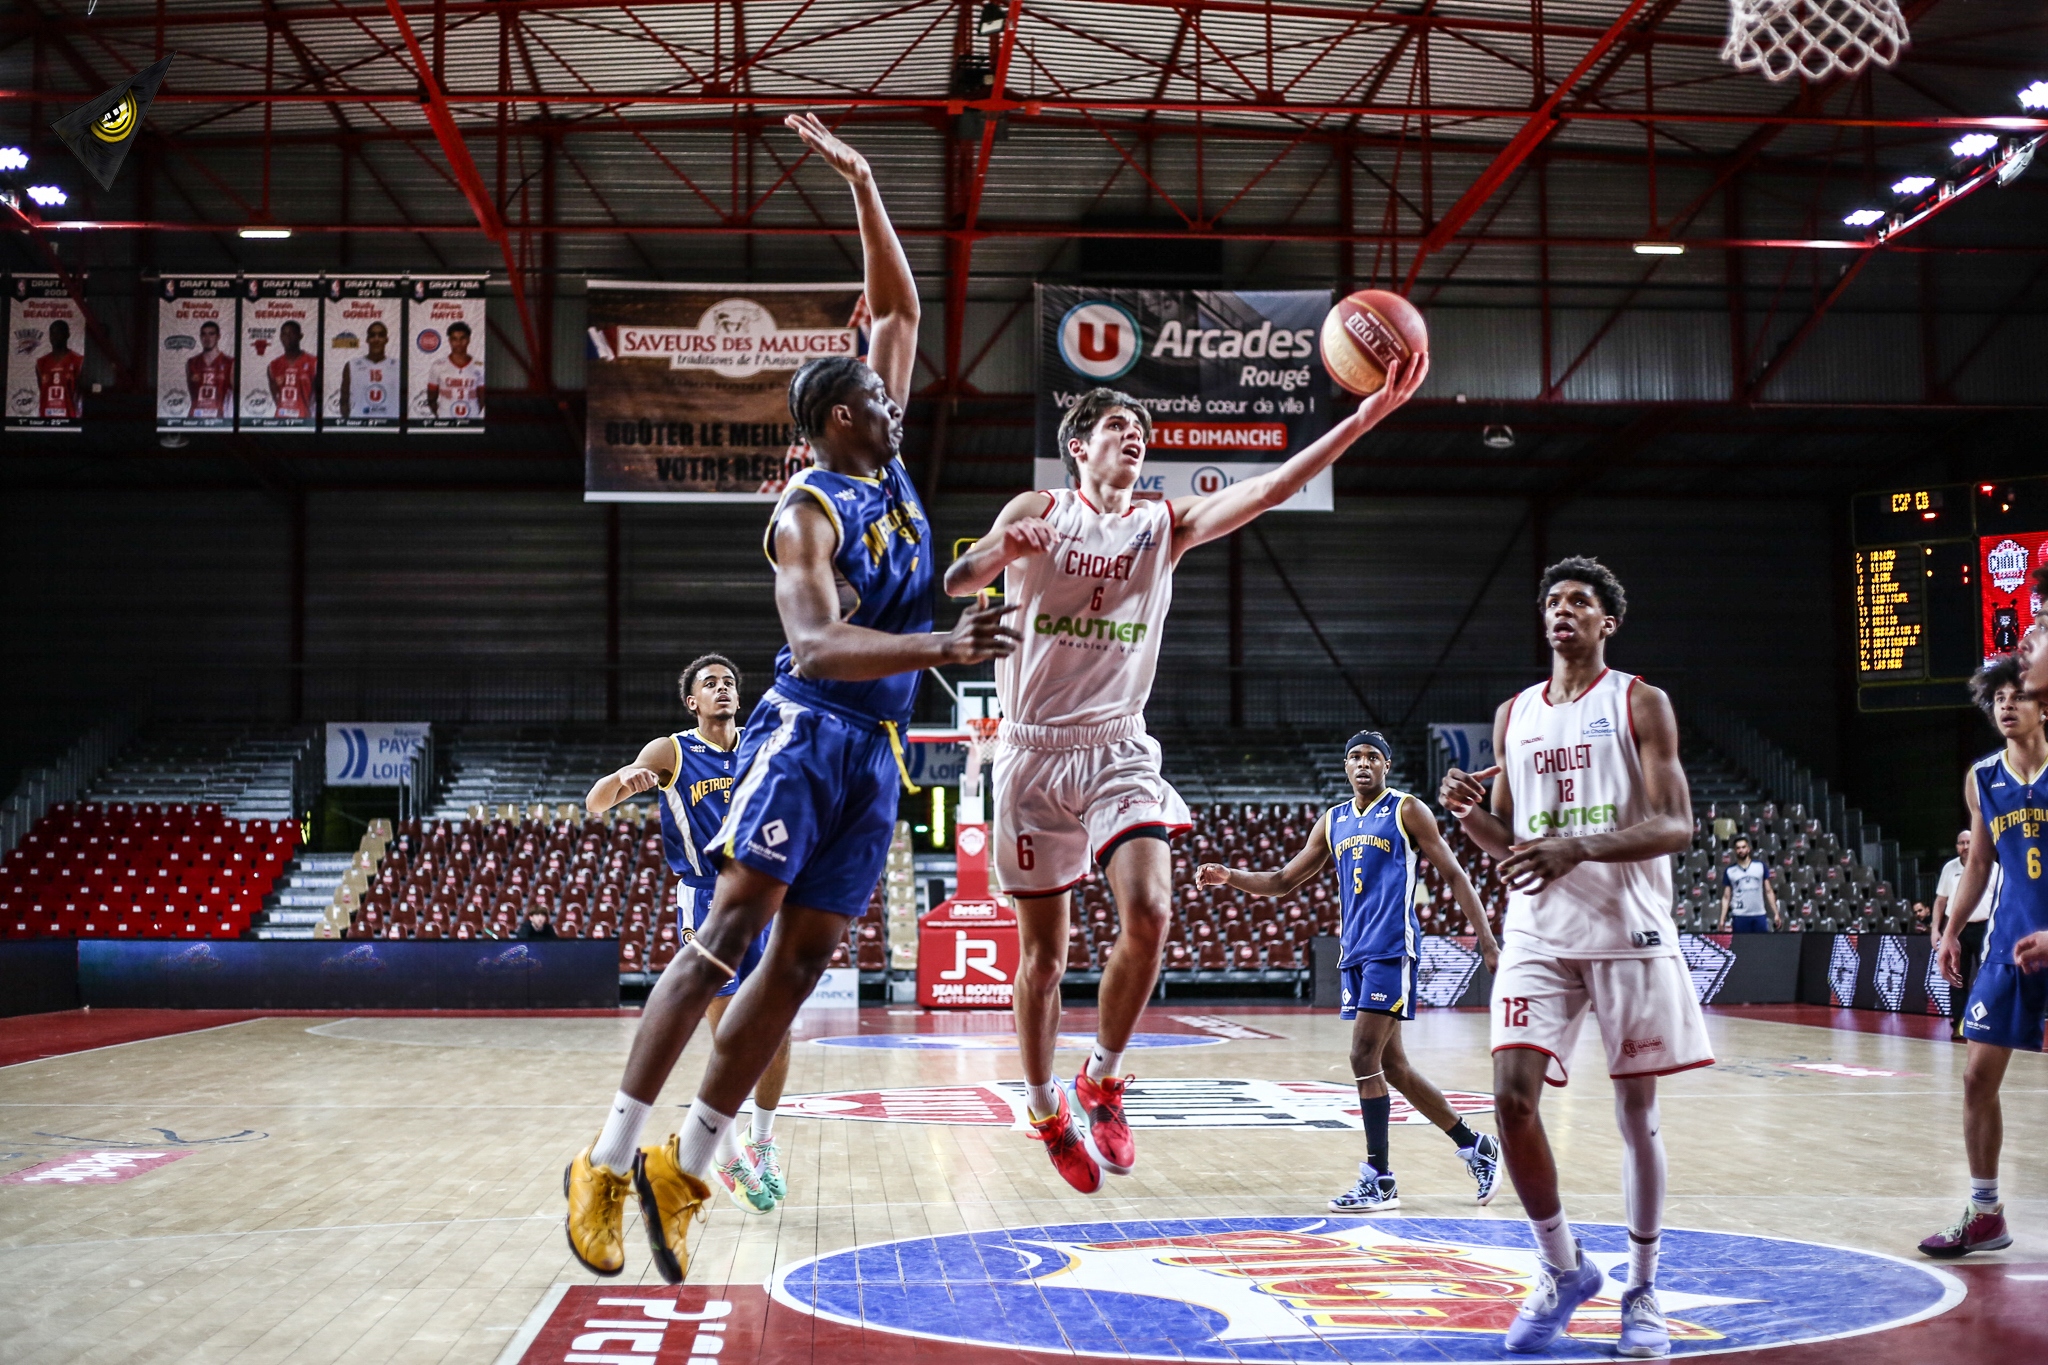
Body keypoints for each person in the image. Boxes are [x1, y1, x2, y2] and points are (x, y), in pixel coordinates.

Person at [562, 112, 1017, 1285]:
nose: (890, 400)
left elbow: (903, 311)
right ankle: (605, 1160)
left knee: (809, 961)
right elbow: (815, 648)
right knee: (723, 939)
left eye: (887, 393)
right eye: (870, 397)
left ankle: (687, 1164)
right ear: (830, 420)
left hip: (878, 753)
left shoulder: (896, 473)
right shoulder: (806, 509)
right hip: (806, 735)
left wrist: (865, 181)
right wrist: (942, 637)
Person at [943, 352, 1426, 1194]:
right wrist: (997, 552)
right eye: (1115, 429)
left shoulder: (1162, 524)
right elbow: (959, 579)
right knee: (1044, 963)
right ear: (1077, 449)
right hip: (1028, 752)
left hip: (1118, 748)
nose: (1133, 438)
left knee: (1152, 908)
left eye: (1141, 432)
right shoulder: (1040, 509)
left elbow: (1271, 487)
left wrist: (1365, 417)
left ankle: (1104, 1076)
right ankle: (1045, 1107)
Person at [1439, 556, 1708, 1360]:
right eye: (1553, 600)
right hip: (1538, 928)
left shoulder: (1639, 700)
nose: (1563, 611)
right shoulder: (1512, 713)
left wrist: (1578, 846)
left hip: (1628, 923)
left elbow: (1677, 823)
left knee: (1636, 1114)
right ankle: (1563, 1268)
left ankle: (1643, 1289)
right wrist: (1469, 817)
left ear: (1607, 622)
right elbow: (1514, 843)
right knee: (1510, 1098)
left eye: (1580, 602)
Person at [1198, 730, 1502, 1211]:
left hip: (1391, 948)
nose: (1364, 764)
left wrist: (1486, 939)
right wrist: (1230, 876)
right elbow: (1281, 881)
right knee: (1394, 1068)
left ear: (1386, 766)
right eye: (1355, 757)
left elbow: (1454, 873)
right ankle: (1477, 1146)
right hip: (1354, 952)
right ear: (1344, 766)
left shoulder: (1407, 810)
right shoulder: (1333, 820)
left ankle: (1379, 1178)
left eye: (1373, 757)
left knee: (1363, 1056)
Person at [584, 654, 791, 1217]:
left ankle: (763, 1142)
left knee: (776, 1032)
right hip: (706, 900)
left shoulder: (761, 743)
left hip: (764, 892)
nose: (721, 688)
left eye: (728, 682)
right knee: (730, 1037)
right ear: (691, 702)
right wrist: (622, 782)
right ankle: (722, 1152)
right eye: (709, 683)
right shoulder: (671, 750)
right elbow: (595, 803)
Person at [1923, 649, 2048, 1258]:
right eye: (1997, 697)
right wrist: (1948, 931)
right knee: (1976, 1078)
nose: (2006, 705)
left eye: (2017, 694)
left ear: (2043, 704)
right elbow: (1979, 863)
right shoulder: (1983, 777)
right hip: (2008, 945)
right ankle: (1985, 1210)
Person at [1931, 828, 2001, 1041]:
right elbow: (1940, 901)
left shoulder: (1994, 868)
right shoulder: (1949, 868)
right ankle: (1959, 1024)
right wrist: (1935, 928)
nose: (1965, 846)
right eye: (1961, 843)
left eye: (1969, 842)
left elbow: (2001, 898)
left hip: (1985, 928)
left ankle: (1987, 1023)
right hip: (1957, 930)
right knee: (1956, 978)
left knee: (1987, 978)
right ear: (1956, 846)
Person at [1714, 835, 1782, 932]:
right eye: (1738, 848)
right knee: (1741, 946)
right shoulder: (1730, 871)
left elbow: (1768, 891)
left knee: (1760, 945)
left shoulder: (1760, 866)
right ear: (1735, 850)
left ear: (1748, 849)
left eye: (1743, 847)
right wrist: (1722, 919)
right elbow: (1726, 897)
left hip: (1759, 914)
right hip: (1739, 915)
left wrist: (1776, 913)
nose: (1741, 850)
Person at [342, 319, 399, 420]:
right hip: (360, 427)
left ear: (386, 339)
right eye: (372, 335)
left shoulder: (398, 366)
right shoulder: (352, 365)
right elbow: (344, 401)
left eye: (381, 335)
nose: (376, 339)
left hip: (390, 427)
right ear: (367, 339)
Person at [425, 320, 483, 420]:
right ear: (450, 341)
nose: (459, 343)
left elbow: (482, 397)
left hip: (472, 417)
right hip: (445, 416)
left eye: (462, 338)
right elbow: (431, 397)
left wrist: (476, 411)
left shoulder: (480, 367)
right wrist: (440, 414)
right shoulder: (438, 366)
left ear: (468, 339)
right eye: (454, 339)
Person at [268, 318, 318, 422]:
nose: (288, 338)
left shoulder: (313, 362)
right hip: (280, 420)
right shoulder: (273, 365)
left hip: (305, 421)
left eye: (292, 334)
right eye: (284, 334)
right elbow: (276, 397)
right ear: (280, 337)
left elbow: (316, 395)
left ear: (300, 336)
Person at [186, 319, 234, 421]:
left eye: (211, 334)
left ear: (218, 336)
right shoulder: (192, 362)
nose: (207, 338)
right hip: (195, 417)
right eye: (204, 334)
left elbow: (234, 395)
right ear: (200, 337)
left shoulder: (229, 362)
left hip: (219, 418)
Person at [35, 318, 83, 419]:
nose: (54, 337)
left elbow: (79, 393)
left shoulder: (78, 360)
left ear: (67, 335)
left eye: (58, 333)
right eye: (52, 333)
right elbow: (42, 390)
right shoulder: (41, 363)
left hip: (70, 418)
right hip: (46, 418)